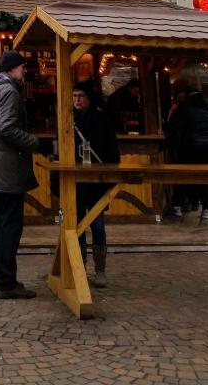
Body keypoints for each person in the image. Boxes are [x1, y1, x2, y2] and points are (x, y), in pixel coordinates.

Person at [0, 50, 39, 299]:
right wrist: (32, 142)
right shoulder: (7, 91)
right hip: (8, 166)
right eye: (22, 67)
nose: (25, 71)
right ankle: (7, 281)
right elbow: (5, 127)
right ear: (13, 69)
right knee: (9, 225)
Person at [72, 80, 120, 288]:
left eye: (80, 96)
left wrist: (111, 175)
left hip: (97, 179)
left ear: (89, 98)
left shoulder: (101, 118)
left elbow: (111, 147)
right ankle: (79, 267)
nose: (76, 100)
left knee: (98, 225)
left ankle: (100, 269)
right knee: (77, 225)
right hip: (75, 179)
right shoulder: (69, 119)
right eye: (74, 96)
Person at [167, 84, 208, 219]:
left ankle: (178, 206)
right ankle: (206, 209)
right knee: (205, 176)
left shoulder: (185, 107)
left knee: (183, 174)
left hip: (190, 146)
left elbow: (173, 126)